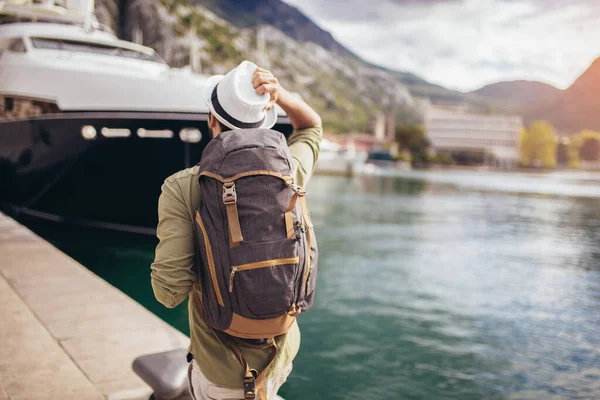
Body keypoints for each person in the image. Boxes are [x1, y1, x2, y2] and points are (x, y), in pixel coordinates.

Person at [150, 61, 322, 400]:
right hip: (282, 354)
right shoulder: (291, 170)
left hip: (222, 371)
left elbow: (168, 292)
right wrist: (280, 93)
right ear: (264, 120)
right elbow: (311, 127)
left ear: (212, 121)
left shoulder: (183, 187)